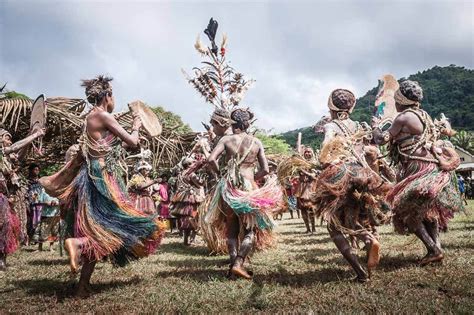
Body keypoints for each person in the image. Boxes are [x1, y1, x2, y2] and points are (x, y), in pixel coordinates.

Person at [39, 75, 165, 297]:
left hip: (89, 177)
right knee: (116, 226)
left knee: (100, 227)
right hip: (103, 177)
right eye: (113, 94)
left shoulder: (91, 117)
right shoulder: (103, 115)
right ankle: (78, 244)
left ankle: (82, 286)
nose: (114, 98)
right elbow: (133, 142)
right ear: (107, 95)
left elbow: (110, 142)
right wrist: (136, 125)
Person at [374, 80, 463, 266]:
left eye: (396, 101)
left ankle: (433, 249)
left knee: (406, 212)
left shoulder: (403, 118)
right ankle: (436, 249)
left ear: (401, 101)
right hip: (431, 166)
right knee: (427, 213)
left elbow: (383, 139)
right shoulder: (424, 115)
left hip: (417, 168)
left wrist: (376, 128)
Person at [313, 89, 390, 282]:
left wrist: (323, 160)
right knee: (353, 216)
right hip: (361, 173)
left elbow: (327, 146)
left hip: (341, 174)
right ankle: (369, 239)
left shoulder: (331, 126)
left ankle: (361, 273)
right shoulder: (357, 125)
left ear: (331, 107)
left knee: (333, 226)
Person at [205, 108, 283, 279]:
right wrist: (252, 178)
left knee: (231, 229)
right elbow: (265, 169)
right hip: (250, 189)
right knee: (250, 230)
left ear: (232, 123)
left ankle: (233, 268)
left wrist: (220, 174)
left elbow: (210, 160)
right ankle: (239, 263)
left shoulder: (226, 139)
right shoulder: (256, 142)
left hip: (229, 187)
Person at [0, 127, 45, 270]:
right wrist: (35, 135)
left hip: (6, 197)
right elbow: (15, 147)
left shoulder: (8, 157)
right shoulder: (2, 152)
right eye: (7, 137)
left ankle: (2, 261)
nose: (10, 140)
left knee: (6, 226)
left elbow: (20, 154)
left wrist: (31, 137)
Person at [170, 157, 205, 245]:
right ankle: (192, 240)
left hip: (182, 197)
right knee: (193, 216)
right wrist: (204, 180)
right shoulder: (191, 174)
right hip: (190, 197)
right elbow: (199, 184)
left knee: (185, 217)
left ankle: (186, 240)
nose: (194, 164)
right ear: (189, 165)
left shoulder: (181, 174)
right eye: (193, 163)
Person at [293, 147, 318, 233]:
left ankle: (313, 228)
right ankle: (308, 228)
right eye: (306, 152)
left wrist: (304, 171)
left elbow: (314, 175)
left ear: (312, 153)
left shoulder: (314, 163)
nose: (307, 153)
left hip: (310, 187)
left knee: (311, 208)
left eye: (309, 152)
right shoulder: (300, 163)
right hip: (301, 188)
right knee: (302, 208)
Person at [27, 163, 44, 245]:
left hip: (41, 203)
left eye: (38, 170)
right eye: (35, 169)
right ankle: (31, 238)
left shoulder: (41, 181)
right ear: (30, 171)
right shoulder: (27, 182)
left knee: (39, 221)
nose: (36, 171)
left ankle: (37, 239)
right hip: (32, 204)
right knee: (32, 221)